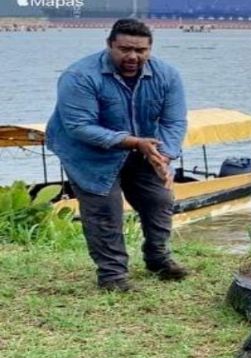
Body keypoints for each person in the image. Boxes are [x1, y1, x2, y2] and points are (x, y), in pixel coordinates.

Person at [46, 18, 188, 292]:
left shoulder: (167, 76)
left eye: (141, 50)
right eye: (124, 49)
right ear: (110, 45)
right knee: (105, 210)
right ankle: (113, 277)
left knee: (160, 199)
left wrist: (165, 156)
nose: (133, 56)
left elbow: (174, 122)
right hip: (87, 151)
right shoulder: (79, 76)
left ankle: (158, 259)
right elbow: (79, 126)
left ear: (150, 49)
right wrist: (134, 142)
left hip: (142, 147)